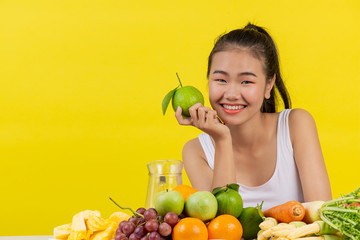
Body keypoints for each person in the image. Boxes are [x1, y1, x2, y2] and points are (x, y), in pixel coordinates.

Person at [175, 23, 332, 210]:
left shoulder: (296, 125)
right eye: (221, 80)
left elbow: (321, 215)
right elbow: (220, 228)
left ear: (268, 85)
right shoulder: (196, 151)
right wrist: (222, 140)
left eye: (246, 81)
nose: (231, 94)